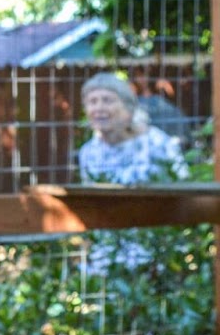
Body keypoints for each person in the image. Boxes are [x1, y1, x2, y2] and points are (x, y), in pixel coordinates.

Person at [76, 71, 189, 271]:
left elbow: (184, 188)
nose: (99, 107)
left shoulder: (156, 142)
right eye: (92, 102)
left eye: (108, 100)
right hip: (109, 253)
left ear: (128, 108)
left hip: (157, 249)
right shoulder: (88, 152)